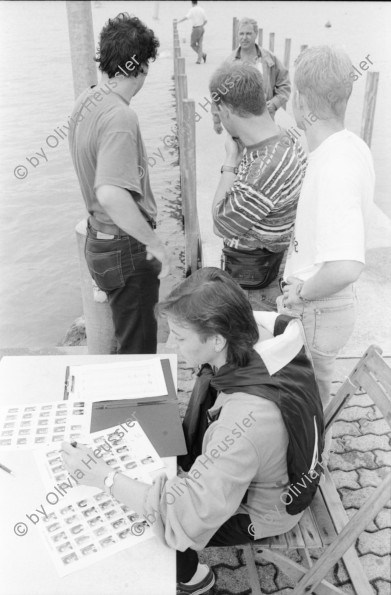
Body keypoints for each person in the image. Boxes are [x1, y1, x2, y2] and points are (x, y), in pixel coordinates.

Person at [61, 267, 324, 595]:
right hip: (281, 471)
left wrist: (104, 476)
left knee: (146, 521)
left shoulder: (246, 420)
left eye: (180, 336)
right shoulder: (262, 338)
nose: (172, 344)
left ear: (216, 339)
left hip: (267, 511)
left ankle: (193, 579)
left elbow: (182, 514)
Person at [278, 45, 375, 412]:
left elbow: (346, 266)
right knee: (311, 398)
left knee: (307, 407)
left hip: (318, 307)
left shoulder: (334, 166)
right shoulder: (351, 147)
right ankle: (313, 460)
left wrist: (301, 293)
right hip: (324, 306)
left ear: (301, 101)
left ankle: (312, 466)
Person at [68, 13, 171, 355]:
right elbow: (110, 193)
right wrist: (154, 243)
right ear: (140, 67)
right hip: (126, 248)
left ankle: (118, 399)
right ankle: (133, 407)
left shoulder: (86, 100)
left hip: (99, 241)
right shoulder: (121, 116)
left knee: (122, 342)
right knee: (139, 352)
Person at [210, 61, 307, 308]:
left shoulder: (266, 167)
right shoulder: (286, 137)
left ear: (226, 110)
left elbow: (220, 222)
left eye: (218, 111)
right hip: (271, 271)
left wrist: (230, 161)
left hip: (256, 289)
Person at [212, 17, 290, 133]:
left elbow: (285, 85)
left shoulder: (270, 59)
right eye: (241, 33)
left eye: (248, 33)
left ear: (256, 34)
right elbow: (218, 93)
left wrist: (274, 103)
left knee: (265, 150)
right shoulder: (229, 62)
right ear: (237, 35)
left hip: (265, 120)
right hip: (238, 121)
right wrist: (216, 120)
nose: (244, 37)